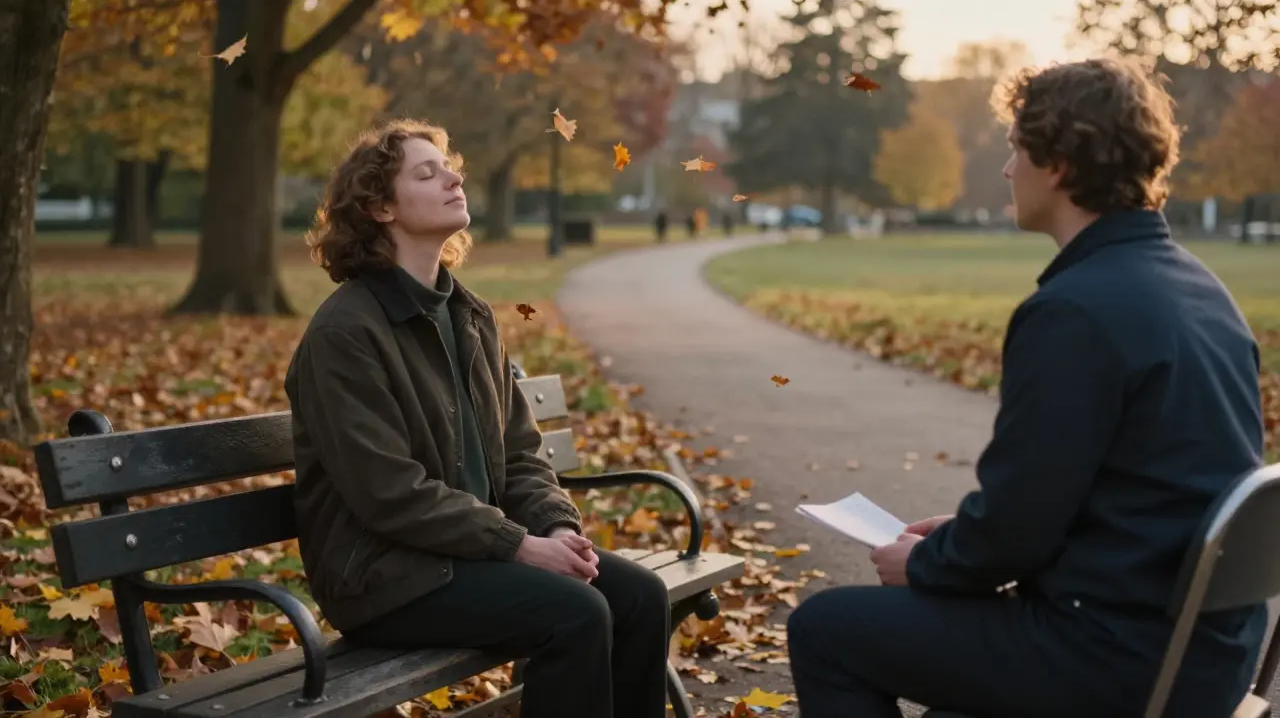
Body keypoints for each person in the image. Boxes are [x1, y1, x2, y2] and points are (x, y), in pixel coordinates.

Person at [787, 57, 1267, 718]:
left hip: (1114, 657)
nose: (1009, 169)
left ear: (1060, 164)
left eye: (1017, 149)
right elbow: (1128, 493)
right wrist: (962, 537)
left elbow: (1018, 535)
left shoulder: (1075, 312)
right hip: (1207, 651)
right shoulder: (1201, 290)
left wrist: (924, 564)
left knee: (825, 629)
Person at [284, 118, 671, 718]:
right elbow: (388, 493)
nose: (454, 175)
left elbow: (519, 453)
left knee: (641, 596)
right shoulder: (346, 335)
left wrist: (555, 527)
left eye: (449, 165)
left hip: (466, 557)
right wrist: (517, 546)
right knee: (577, 612)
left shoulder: (469, 315)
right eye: (427, 171)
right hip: (385, 578)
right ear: (381, 207)